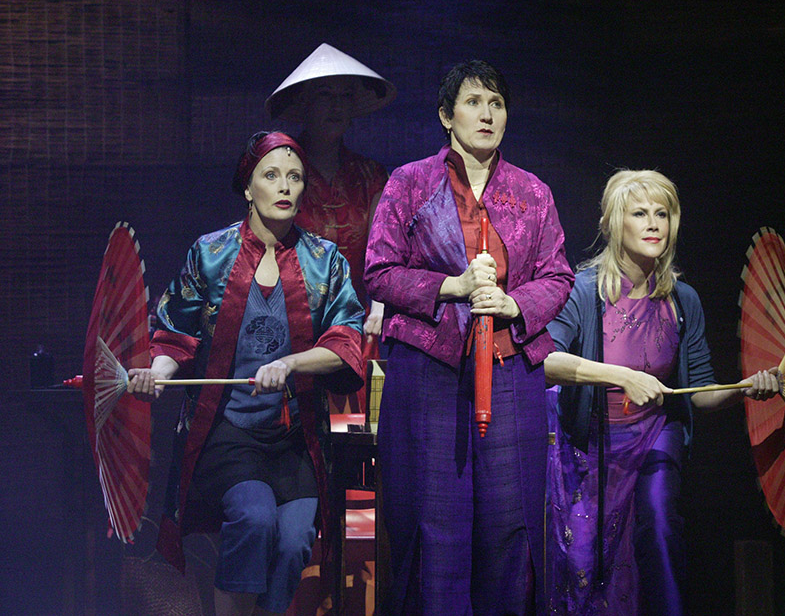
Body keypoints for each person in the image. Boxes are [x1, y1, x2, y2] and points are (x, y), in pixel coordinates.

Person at [364, 60, 575, 614]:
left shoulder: (532, 192)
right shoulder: (410, 183)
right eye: (474, 101)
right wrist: (451, 286)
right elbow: (379, 272)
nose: (486, 113)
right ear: (445, 115)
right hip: (430, 372)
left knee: (510, 523)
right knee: (437, 526)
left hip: (510, 373)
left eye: (497, 103)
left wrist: (512, 302)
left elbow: (558, 275)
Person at [127, 131, 365, 616]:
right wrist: (157, 372)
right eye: (271, 175)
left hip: (296, 436)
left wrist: (290, 364)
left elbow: (345, 344)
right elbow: (175, 335)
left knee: (297, 537)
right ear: (248, 187)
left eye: (294, 177)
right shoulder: (210, 254)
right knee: (255, 519)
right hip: (230, 435)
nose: (285, 187)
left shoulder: (326, 261)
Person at [544, 169, 782, 615]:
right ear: (615, 223)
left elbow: (700, 393)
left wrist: (745, 389)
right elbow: (543, 363)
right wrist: (620, 374)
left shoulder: (682, 299)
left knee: (659, 525)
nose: (654, 223)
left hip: (655, 433)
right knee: (583, 562)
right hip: (589, 444)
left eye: (662, 213)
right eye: (639, 213)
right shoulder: (582, 291)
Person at [265, 43, 395, 413]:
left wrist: (380, 305)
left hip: (358, 321)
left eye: (344, 96)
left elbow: (385, 249)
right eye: (325, 95)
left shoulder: (371, 176)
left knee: (356, 429)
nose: (336, 105)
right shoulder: (281, 174)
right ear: (304, 104)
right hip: (288, 318)